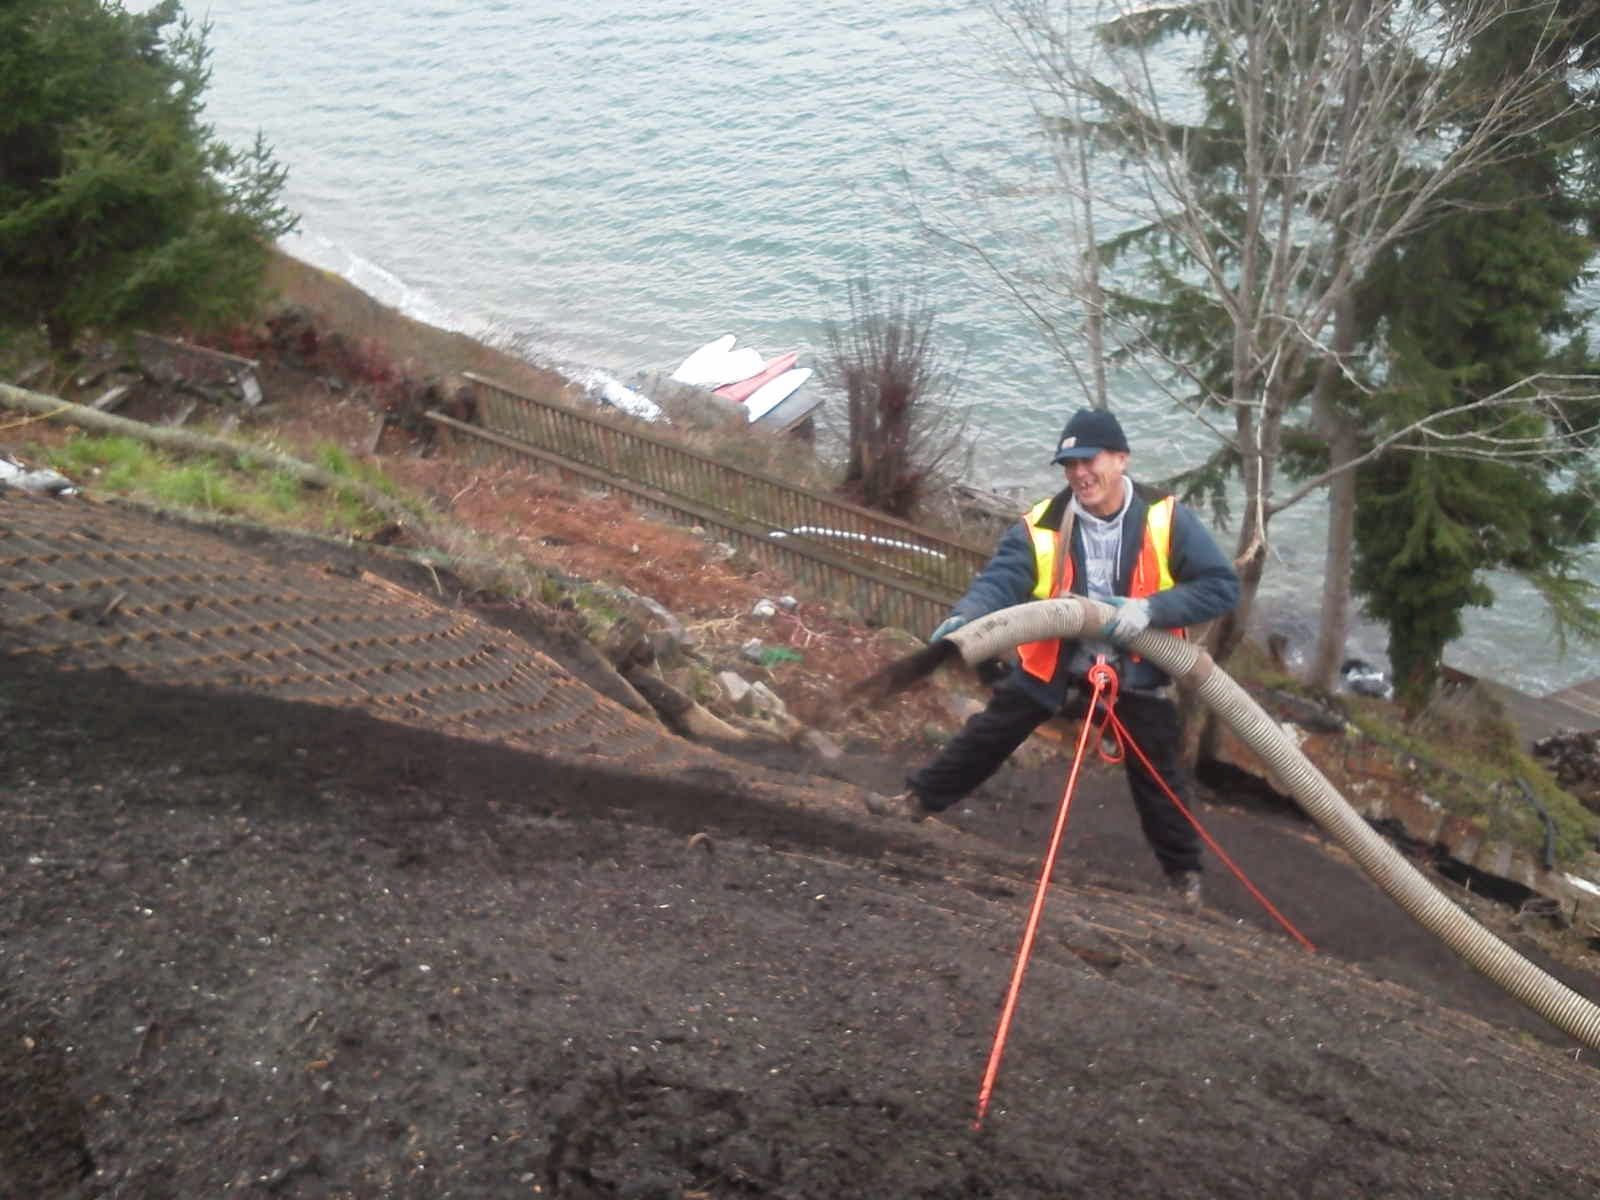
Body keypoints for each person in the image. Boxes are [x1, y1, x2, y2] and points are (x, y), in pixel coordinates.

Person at [865, 408, 1240, 908]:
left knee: (1158, 772)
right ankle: (915, 803)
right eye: (1069, 464)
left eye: (1090, 460)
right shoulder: (1042, 525)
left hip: (1136, 668)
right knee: (992, 729)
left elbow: (1220, 586)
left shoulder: (1165, 519)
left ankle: (1184, 878)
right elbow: (1000, 581)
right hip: (1059, 663)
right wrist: (966, 621)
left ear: (1122, 459)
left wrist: (1151, 608)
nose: (1080, 474)